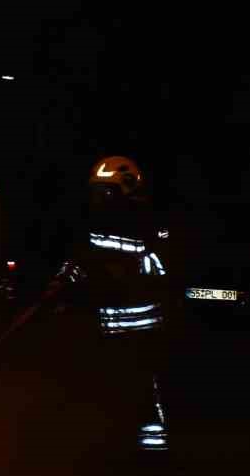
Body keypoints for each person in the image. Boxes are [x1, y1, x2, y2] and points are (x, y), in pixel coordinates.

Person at [43, 156, 172, 454]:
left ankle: (152, 452)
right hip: (106, 325)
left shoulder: (150, 224)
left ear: (125, 190)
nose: (98, 199)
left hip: (142, 328)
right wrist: (60, 283)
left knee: (143, 388)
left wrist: (117, 268)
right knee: (102, 388)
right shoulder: (96, 225)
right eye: (96, 193)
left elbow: (157, 267)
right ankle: (108, 448)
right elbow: (80, 259)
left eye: (106, 192)